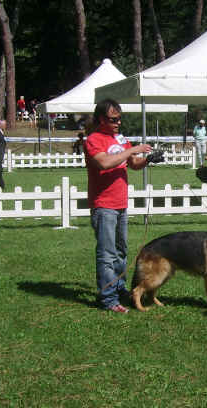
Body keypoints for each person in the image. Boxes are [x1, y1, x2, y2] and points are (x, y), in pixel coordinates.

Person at [84, 98, 154, 313]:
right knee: (107, 253)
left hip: (121, 202)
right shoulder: (93, 140)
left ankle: (119, 288)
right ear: (101, 119)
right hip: (103, 204)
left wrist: (148, 159)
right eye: (113, 119)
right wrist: (132, 150)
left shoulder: (121, 139)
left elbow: (133, 165)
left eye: (119, 119)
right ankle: (107, 299)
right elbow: (104, 162)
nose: (118, 123)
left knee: (121, 250)